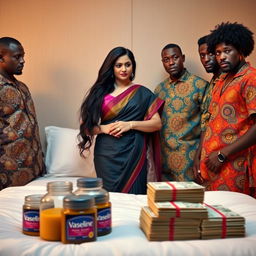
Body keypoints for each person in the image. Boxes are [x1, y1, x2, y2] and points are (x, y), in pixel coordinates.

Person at [78, 47, 164, 194]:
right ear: (111, 67)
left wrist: (130, 124)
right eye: (118, 65)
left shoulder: (142, 92)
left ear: (133, 66)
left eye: (127, 64)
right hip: (106, 155)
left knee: (135, 198)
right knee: (109, 200)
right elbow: (85, 127)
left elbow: (157, 124)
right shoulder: (100, 93)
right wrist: (104, 128)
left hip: (134, 153)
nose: (124, 69)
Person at [199, 22, 256, 197]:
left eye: (227, 51)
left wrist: (223, 155)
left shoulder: (250, 78)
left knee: (233, 219)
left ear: (240, 51)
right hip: (213, 168)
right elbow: (211, 122)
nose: (221, 57)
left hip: (234, 167)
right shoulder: (221, 80)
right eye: (217, 53)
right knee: (215, 219)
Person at [154, 43, 209, 181]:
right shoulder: (159, 90)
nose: (171, 62)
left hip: (190, 159)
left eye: (175, 57)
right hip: (164, 160)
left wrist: (200, 155)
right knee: (165, 201)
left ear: (182, 58)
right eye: (166, 60)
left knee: (189, 200)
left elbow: (207, 124)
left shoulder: (200, 85)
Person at [0, 37, 45, 190]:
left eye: (23, 56)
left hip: (35, 169)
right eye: (17, 56)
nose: (23, 61)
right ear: (1, 57)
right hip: (8, 174)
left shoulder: (23, 87)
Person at [193, 35, 221, 183]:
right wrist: (199, 154)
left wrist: (223, 155)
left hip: (226, 157)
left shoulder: (229, 81)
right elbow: (206, 122)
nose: (206, 59)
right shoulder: (212, 83)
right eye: (202, 55)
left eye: (210, 54)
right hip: (209, 155)